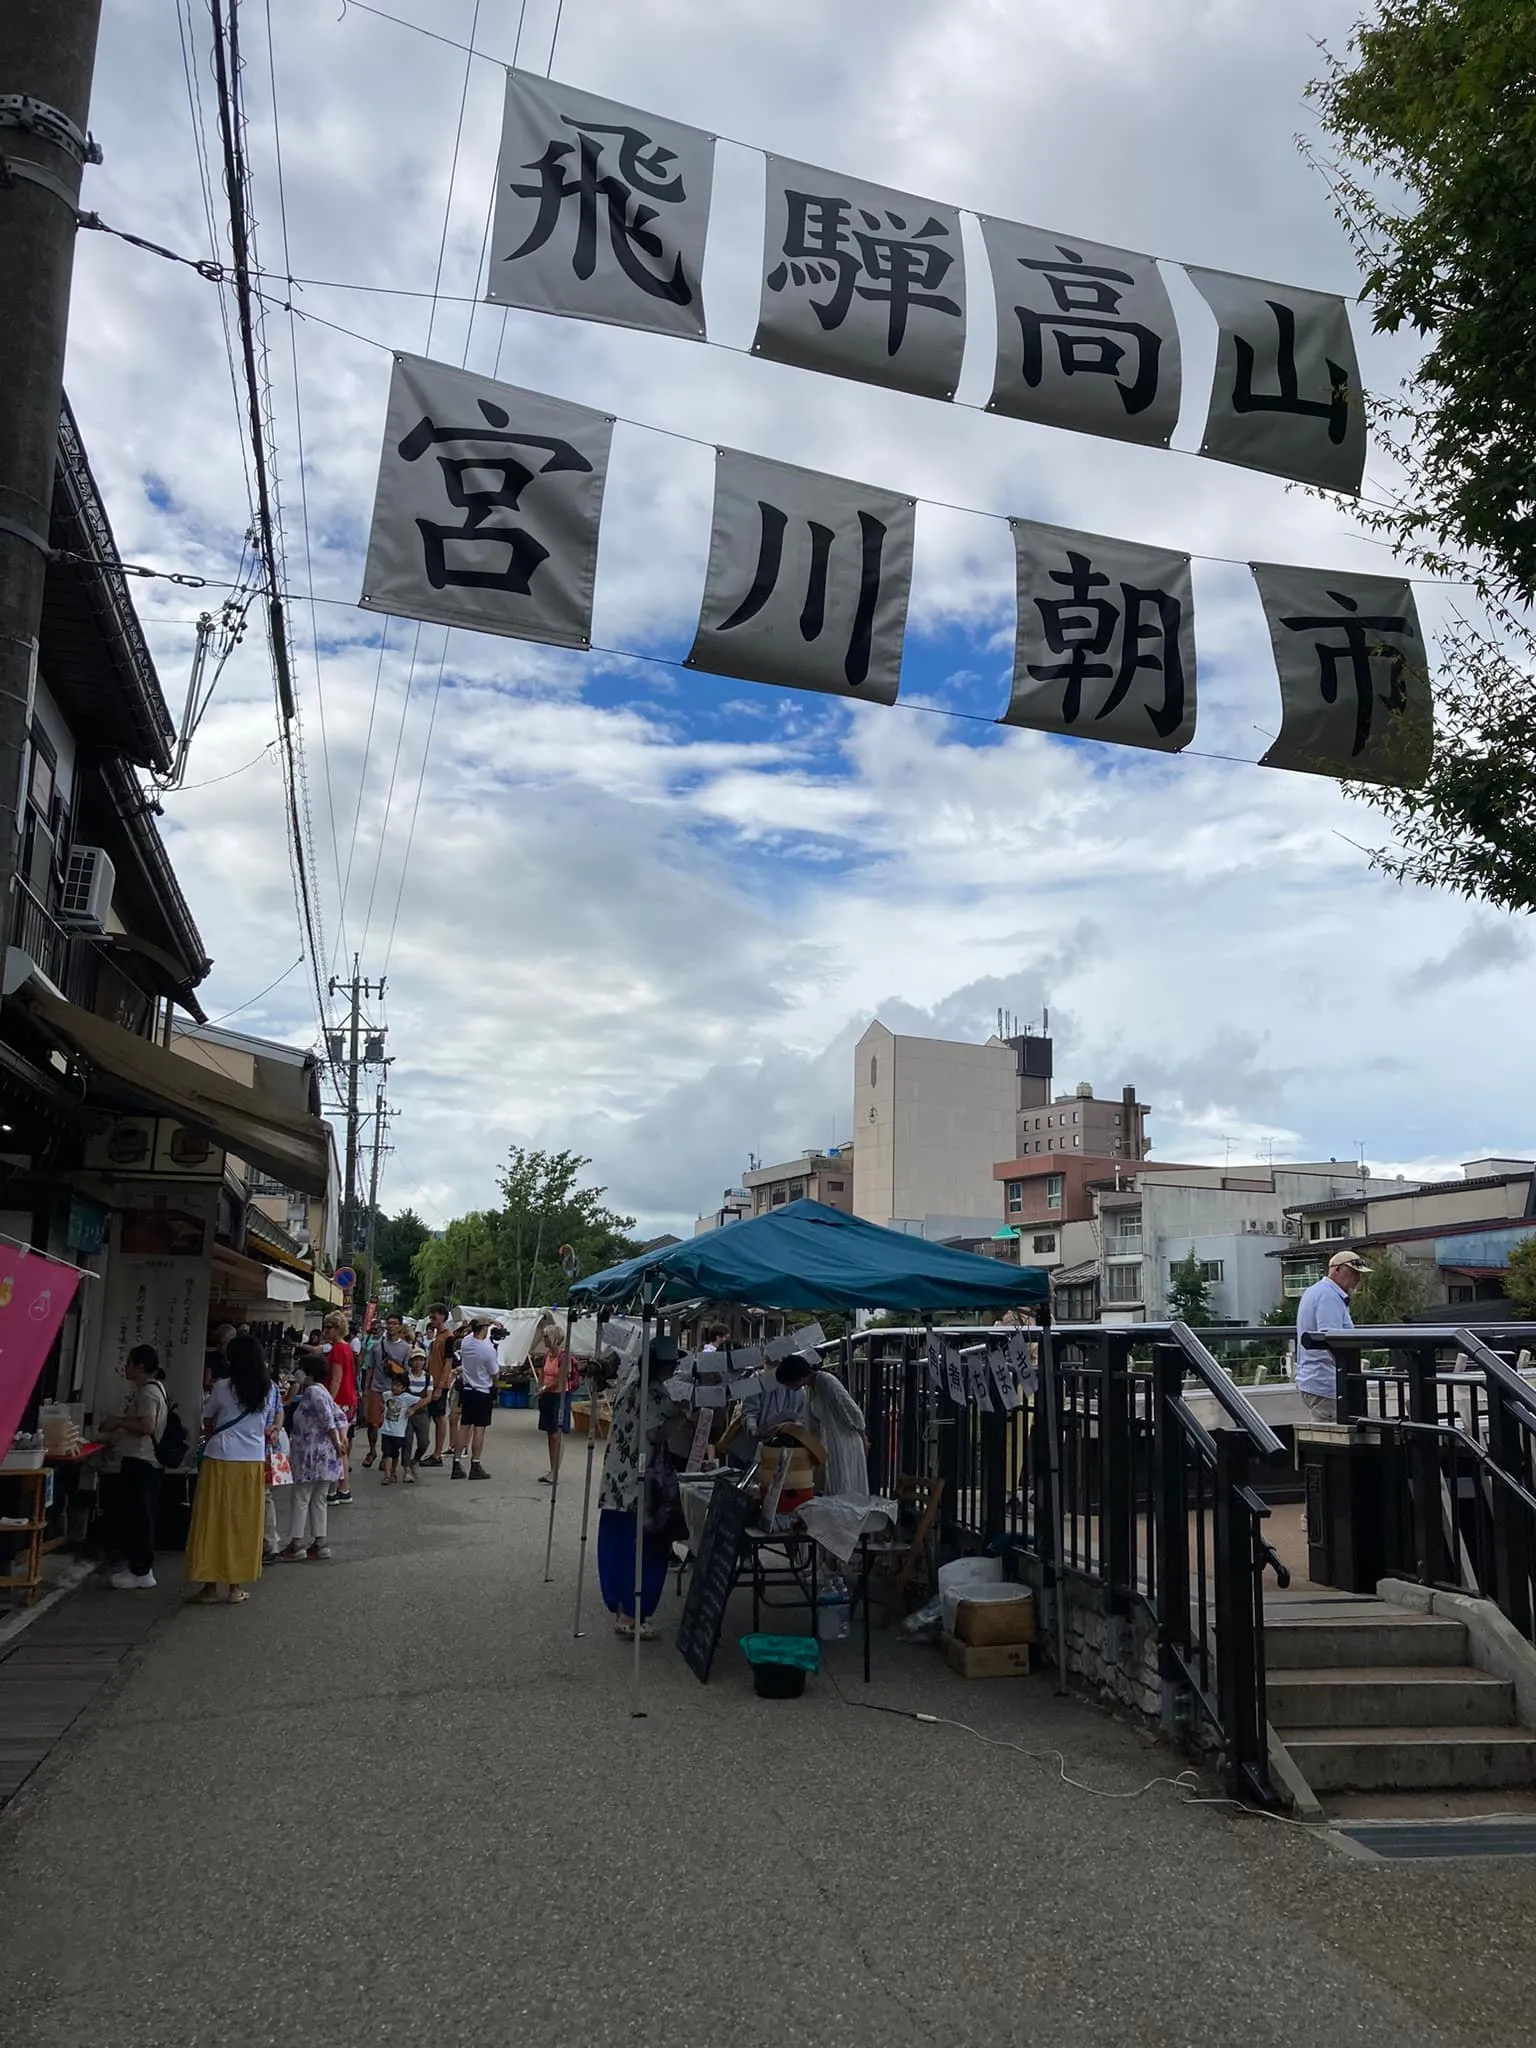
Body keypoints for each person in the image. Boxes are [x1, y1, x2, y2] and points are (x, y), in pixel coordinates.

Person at [596, 1352, 682, 1639]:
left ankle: (621, 1611)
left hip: (615, 1482)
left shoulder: (629, 1385)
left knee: (617, 1547)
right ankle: (635, 1614)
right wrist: (683, 1415)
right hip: (642, 1484)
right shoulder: (655, 1392)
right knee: (645, 1550)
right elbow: (657, 1434)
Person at [185, 1333, 272, 1605]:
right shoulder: (267, 1388)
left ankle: (209, 1586)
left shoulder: (222, 1387)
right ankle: (236, 1586)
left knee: (213, 1520)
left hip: (220, 1458)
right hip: (251, 1462)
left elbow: (207, 1419)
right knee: (242, 1523)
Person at [99, 1344, 168, 1590]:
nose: (125, 1368)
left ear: (139, 1366)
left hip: (141, 1460)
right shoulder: (156, 1389)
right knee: (141, 1516)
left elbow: (147, 1425)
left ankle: (141, 1570)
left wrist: (118, 1421)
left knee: (139, 1517)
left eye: (128, 1363)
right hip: (146, 1462)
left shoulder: (147, 1393)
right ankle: (139, 1567)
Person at [280, 1354, 347, 1560]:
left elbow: (328, 1419)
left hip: (310, 1454)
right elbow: (340, 1416)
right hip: (326, 1455)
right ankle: (320, 1543)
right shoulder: (324, 1391)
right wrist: (340, 1441)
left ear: (308, 1372)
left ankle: (296, 1543)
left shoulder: (312, 1392)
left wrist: (337, 1441)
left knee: (301, 1497)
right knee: (318, 1499)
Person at [1294, 1249, 1370, 1423]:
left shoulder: (1317, 1291)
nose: (1356, 1278)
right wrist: (1349, 1374)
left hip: (1316, 1379)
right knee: (1333, 1438)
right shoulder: (1329, 1296)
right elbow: (1332, 1339)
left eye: (1358, 1274)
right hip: (1326, 1383)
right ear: (1336, 1269)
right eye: (1352, 1272)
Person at [363, 1312, 412, 1469]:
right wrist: (366, 1388)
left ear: (400, 1326)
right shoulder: (377, 1346)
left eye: (394, 1323)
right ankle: (372, 1450)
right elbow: (370, 1368)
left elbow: (406, 1372)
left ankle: (386, 1455)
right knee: (372, 1423)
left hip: (394, 1392)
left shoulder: (406, 1348)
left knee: (390, 1425)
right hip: (377, 1389)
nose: (391, 1326)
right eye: (389, 1323)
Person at [451, 1318, 498, 1480]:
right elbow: (494, 1373)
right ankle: (475, 1463)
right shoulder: (487, 1349)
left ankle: (456, 1462)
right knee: (479, 1428)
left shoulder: (465, 1342)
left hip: (467, 1388)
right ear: (483, 1329)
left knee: (464, 1426)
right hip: (482, 1390)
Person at [322, 1311, 357, 1505]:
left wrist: (328, 1402)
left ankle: (337, 1488)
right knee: (342, 1445)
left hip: (339, 1401)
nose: (326, 1331)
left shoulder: (337, 1350)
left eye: (329, 1327)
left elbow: (336, 1378)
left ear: (338, 1329)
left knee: (337, 1446)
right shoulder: (346, 1348)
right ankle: (344, 1488)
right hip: (348, 1399)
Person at [536, 1326, 577, 1485]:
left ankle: (555, 1471)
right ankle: (552, 1468)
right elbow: (543, 1372)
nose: (544, 1339)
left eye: (546, 1336)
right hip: (547, 1396)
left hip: (560, 1396)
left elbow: (560, 1379)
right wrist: (539, 1386)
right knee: (549, 1433)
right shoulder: (547, 1356)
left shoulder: (564, 1357)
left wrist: (544, 1388)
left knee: (556, 1434)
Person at [378, 1361, 422, 1485]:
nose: (395, 1388)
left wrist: (412, 1409)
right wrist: (381, 1408)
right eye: (394, 1385)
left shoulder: (407, 1398)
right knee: (386, 1453)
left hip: (399, 1432)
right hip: (386, 1430)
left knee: (395, 1454)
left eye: (398, 1386)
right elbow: (381, 1400)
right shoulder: (387, 1395)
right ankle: (387, 1475)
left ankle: (392, 1473)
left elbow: (420, 1400)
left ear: (403, 1388)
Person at [422, 1303, 455, 1466]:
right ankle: (435, 1453)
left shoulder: (448, 1337)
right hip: (432, 1381)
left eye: (434, 1316)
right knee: (435, 1417)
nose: (431, 1319)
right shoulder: (438, 1336)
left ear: (442, 1316)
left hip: (439, 1383)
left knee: (439, 1417)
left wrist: (440, 1386)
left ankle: (437, 1454)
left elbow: (448, 1363)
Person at [403, 1347, 433, 1476]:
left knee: (424, 1441)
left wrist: (414, 1408)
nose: (418, 1363)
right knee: (407, 1441)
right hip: (406, 1413)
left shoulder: (427, 1377)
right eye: (416, 1360)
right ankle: (406, 1468)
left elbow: (429, 1397)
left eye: (421, 1360)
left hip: (421, 1412)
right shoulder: (405, 1376)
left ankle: (415, 1459)